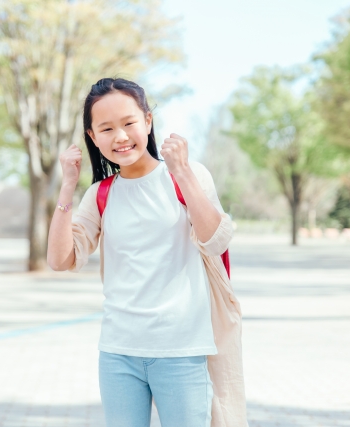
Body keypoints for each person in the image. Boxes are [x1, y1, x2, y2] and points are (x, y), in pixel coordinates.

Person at [47, 78, 247, 427]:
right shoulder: (100, 194)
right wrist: (67, 186)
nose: (120, 136)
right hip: (118, 352)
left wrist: (182, 171)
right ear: (93, 137)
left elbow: (216, 240)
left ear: (148, 121)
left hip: (182, 350)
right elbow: (61, 259)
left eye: (128, 123)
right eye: (106, 128)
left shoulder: (186, 175)